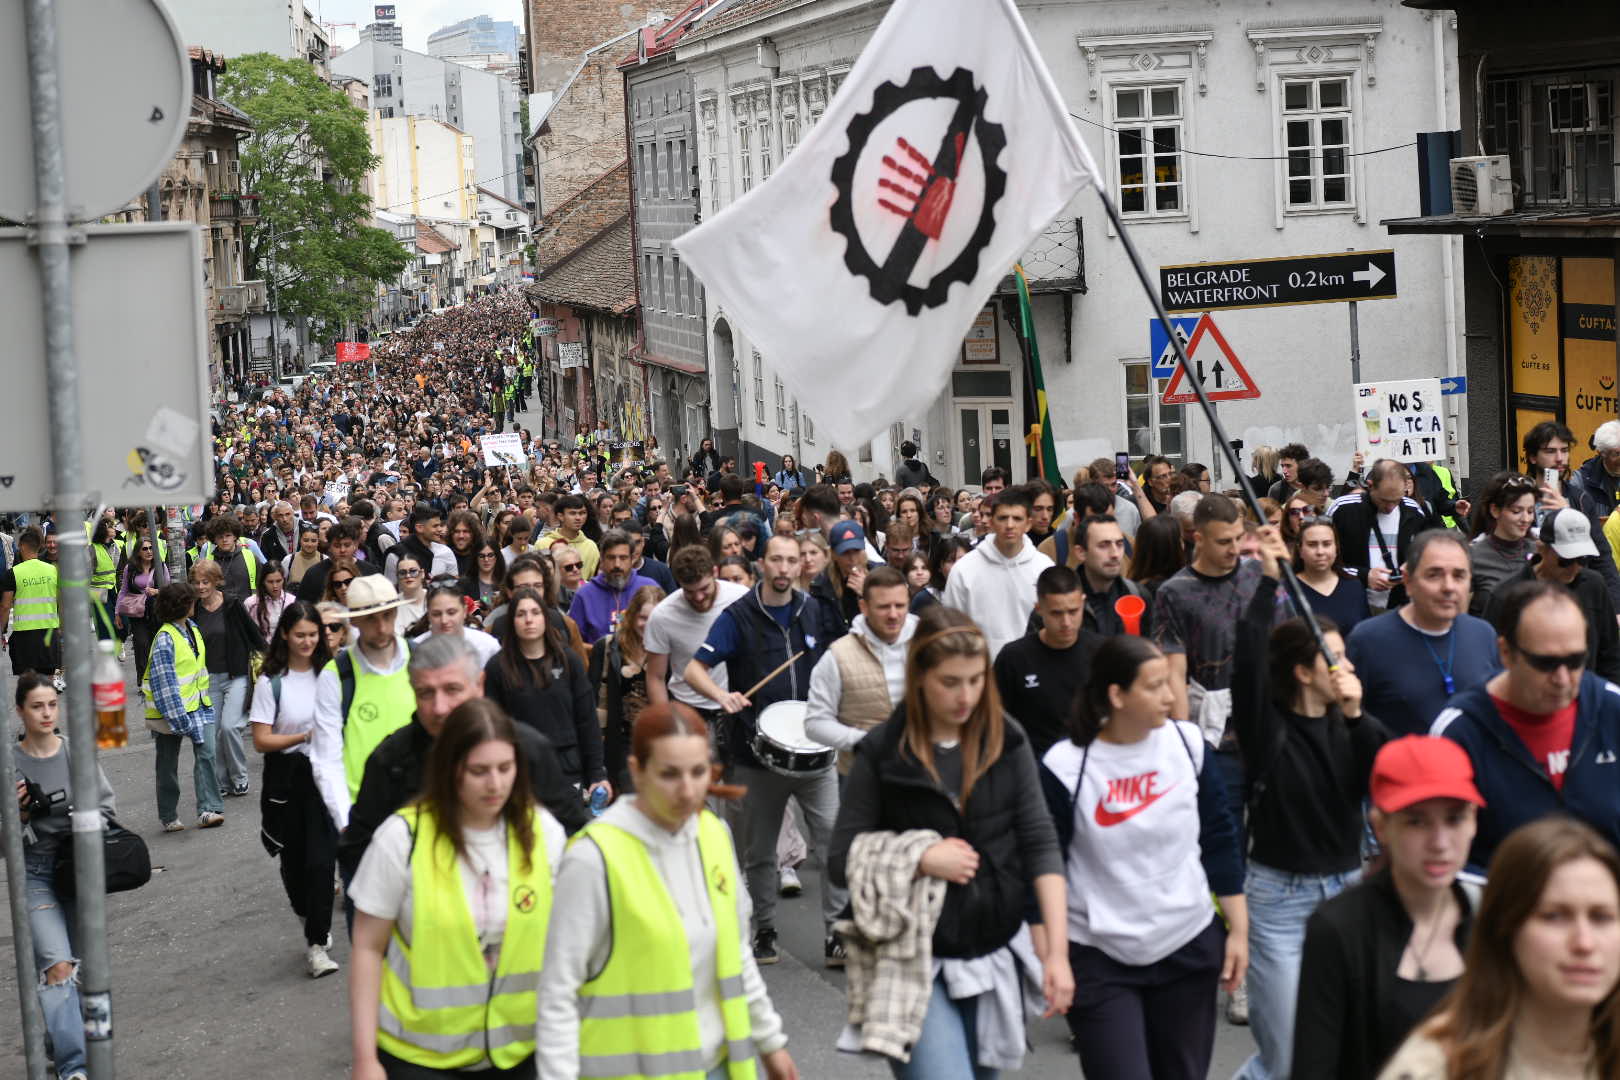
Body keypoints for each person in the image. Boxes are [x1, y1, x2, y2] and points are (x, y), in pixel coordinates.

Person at [831, 604, 1071, 1077]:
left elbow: (1041, 841)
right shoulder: (883, 750)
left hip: (993, 948)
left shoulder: (1008, 739)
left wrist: (1058, 953)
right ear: (920, 676)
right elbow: (841, 858)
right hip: (911, 956)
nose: (966, 696)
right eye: (950, 682)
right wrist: (919, 856)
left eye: (976, 680)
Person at [537, 704, 800, 1080]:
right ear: (636, 772)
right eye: (669, 774)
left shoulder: (712, 835)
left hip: (716, 1067)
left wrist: (770, 1041)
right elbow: (557, 993)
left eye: (699, 772)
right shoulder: (594, 858)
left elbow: (734, 953)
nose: (688, 789)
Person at [1040, 635, 1246, 1080]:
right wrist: (1054, 956)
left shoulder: (1188, 745)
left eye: (1170, 684)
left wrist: (1238, 931)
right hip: (1099, 954)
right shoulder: (1065, 765)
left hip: (1186, 943)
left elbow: (1219, 839)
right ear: (1117, 695)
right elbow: (1046, 866)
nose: (1171, 696)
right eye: (1155, 686)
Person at [1231, 527, 1389, 1080]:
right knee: (1287, 1059)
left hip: (1345, 893)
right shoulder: (1266, 728)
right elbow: (1248, 660)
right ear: (1302, 671)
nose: (1343, 668)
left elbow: (1385, 772)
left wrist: (1354, 715)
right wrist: (1268, 582)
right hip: (1279, 901)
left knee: (1345, 1050)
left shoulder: (1354, 724)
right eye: (1332, 658)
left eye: (1346, 657)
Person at [348, 699, 566, 1080]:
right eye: (479, 771)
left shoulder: (544, 833)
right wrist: (366, 1058)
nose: (495, 784)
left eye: (505, 768)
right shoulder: (402, 839)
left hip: (522, 1053)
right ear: (450, 769)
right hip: (420, 1057)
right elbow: (368, 947)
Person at [685, 534, 840, 966]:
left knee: (834, 845)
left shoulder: (814, 611)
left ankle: (837, 934)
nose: (785, 568)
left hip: (815, 749)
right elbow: (694, 668)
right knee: (759, 852)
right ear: (762, 564)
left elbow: (836, 661)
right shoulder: (738, 616)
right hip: (757, 751)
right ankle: (765, 929)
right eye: (777, 560)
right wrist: (721, 696)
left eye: (793, 560)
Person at [1293, 736, 1485, 1080]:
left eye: (1454, 819)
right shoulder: (1338, 929)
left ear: (1473, 822)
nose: (1440, 843)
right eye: (1417, 821)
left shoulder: (1492, 918)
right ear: (1381, 827)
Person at [338, 633, 589, 897]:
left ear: (479, 685)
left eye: (452, 690)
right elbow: (358, 850)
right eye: (426, 693)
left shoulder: (526, 750)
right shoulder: (391, 761)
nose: (440, 708)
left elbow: (571, 833)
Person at [1377, 816, 1620, 1080]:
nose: (1584, 943)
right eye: (1553, 916)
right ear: (1505, 928)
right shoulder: (1436, 1067)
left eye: (1601, 917)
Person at [1434, 579, 1620, 870]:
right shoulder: (1460, 732)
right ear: (1506, 653)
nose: (1562, 679)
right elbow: (1440, 855)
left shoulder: (1611, 708)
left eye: (1575, 661)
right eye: (1545, 663)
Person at [12, 673, 115, 1080]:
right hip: (34, 873)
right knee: (58, 967)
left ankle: (59, 1039)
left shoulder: (76, 753)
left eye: (52, 704)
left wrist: (81, 821)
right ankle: (75, 1068)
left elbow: (107, 809)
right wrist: (19, 814)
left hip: (78, 871)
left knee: (83, 970)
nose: (47, 713)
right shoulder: (9, 762)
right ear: (20, 711)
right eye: (37, 706)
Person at [250, 600, 341, 977]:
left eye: (313, 634)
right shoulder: (271, 682)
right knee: (294, 864)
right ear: (285, 634)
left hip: (324, 776)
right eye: (300, 634)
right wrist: (302, 736)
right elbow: (261, 739)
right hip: (286, 780)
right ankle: (310, 915)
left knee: (322, 863)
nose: (307, 641)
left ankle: (317, 944)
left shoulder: (332, 674)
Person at [1347, 530, 1502, 738]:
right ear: (1408, 582)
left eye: (1459, 575)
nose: (1448, 587)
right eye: (1434, 575)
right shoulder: (1368, 640)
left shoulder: (1483, 634)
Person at [312, 575, 414, 833]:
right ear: (354, 621)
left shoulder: (422, 659)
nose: (381, 627)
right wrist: (347, 824)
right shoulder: (336, 676)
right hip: (366, 823)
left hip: (424, 817)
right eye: (371, 618)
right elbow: (327, 758)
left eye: (388, 615)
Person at [484, 586, 605, 795]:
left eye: (535, 613)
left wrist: (596, 774)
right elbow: (493, 726)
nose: (528, 620)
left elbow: (587, 720)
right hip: (520, 769)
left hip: (567, 766)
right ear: (512, 622)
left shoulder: (569, 661)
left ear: (545, 618)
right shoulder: (497, 667)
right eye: (521, 614)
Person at [803, 566, 917, 777]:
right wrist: (866, 742)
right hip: (861, 776)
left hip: (919, 771)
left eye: (900, 606)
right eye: (883, 607)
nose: (893, 615)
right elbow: (815, 723)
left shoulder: (928, 644)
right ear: (864, 607)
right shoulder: (838, 656)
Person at [1486, 508, 1620, 683]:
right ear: (1542, 549)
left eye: (1582, 560)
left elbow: (1610, 656)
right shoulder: (1506, 597)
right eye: (1565, 560)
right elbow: (1492, 665)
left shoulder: (1594, 585)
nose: (1574, 568)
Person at [994, 565, 1103, 760]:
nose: (1066, 622)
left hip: (1091, 766)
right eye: (1056, 613)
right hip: (1035, 770)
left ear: (1083, 603)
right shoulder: (1014, 659)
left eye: (1073, 611)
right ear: (1039, 609)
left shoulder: (1101, 653)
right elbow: (994, 722)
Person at [142, 582, 226, 830]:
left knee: (207, 755)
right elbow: (164, 683)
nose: (195, 603)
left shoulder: (193, 629)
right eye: (190, 600)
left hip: (199, 705)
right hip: (172, 712)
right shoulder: (166, 638)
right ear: (182, 605)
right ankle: (169, 815)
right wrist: (178, 718)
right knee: (167, 765)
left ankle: (208, 809)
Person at [941, 486, 1053, 659]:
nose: (1009, 525)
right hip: (980, 674)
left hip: (1033, 673)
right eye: (1003, 518)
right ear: (991, 522)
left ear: (1028, 523)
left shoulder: (1044, 568)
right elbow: (951, 631)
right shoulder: (964, 570)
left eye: (1017, 518)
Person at [190, 559, 267, 800]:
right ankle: (221, 781)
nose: (200, 587)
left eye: (205, 582)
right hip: (207, 679)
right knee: (212, 734)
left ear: (216, 581)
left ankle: (240, 777)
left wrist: (273, 660)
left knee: (230, 727)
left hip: (236, 675)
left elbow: (253, 635)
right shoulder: (193, 609)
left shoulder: (232, 604)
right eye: (196, 582)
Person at [1523, 419, 1620, 609]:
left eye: (1565, 450)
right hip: (1532, 597)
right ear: (1533, 457)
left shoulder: (1580, 499)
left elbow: (1601, 556)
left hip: (1576, 598)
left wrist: (1616, 607)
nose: (1559, 458)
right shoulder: (1519, 496)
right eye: (1550, 451)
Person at [1327, 459, 1432, 612]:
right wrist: (1364, 575)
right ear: (1370, 486)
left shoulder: (1413, 511)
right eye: (1384, 500)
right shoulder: (1343, 509)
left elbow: (1428, 552)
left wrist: (1411, 567)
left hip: (1401, 604)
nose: (1390, 508)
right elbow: (1326, 559)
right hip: (1351, 602)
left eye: (1396, 501)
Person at [588, 583, 665, 791]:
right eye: (643, 618)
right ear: (632, 616)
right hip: (618, 742)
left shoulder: (670, 650)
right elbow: (597, 699)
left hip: (657, 742)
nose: (648, 625)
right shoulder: (608, 648)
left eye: (654, 619)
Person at [1467, 471, 1540, 616]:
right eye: (1516, 511)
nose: (1525, 519)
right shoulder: (1471, 556)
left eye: (1530, 511)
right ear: (1495, 510)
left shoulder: (1539, 552)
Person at [566, 528, 657, 644]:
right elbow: (574, 643)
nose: (617, 564)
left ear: (632, 559)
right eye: (611, 558)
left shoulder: (649, 588)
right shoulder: (584, 595)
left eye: (623, 558)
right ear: (602, 559)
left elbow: (662, 636)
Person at [0, 527, 61, 676]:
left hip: (24, 638)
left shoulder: (13, 573)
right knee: (48, 683)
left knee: (27, 686)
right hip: (49, 634)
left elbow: (5, 606)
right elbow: (62, 602)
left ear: (21, 546)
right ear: (40, 546)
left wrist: (1, 630)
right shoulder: (52, 570)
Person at [1294, 514, 1370, 633]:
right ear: (1300, 550)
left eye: (1327, 544)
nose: (1320, 552)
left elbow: (1364, 634)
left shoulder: (1353, 586)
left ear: (1336, 548)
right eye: (1312, 545)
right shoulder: (1287, 590)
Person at [115, 533, 170, 676]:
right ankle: (143, 680)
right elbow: (124, 590)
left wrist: (156, 591)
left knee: (156, 645)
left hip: (157, 612)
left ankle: (158, 676)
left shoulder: (160, 566)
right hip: (137, 613)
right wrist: (117, 613)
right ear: (138, 551)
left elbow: (169, 590)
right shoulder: (130, 568)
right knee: (141, 644)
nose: (149, 551)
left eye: (151, 548)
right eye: (145, 549)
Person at [414, 579, 502, 665]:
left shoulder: (487, 646)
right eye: (436, 614)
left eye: (451, 612)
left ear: (464, 612)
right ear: (428, 615)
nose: (444, 620)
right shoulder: (416, 649)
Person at [1127, 513, 1185, 607]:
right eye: (1181, 540)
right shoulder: (1173, 591)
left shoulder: (1132, 587)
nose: (1183, 545)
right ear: (1172, 548)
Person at [539, 494, 600, 580]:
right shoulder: (543, 544)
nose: (578, 518)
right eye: (572, 513)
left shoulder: (591, 546)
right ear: (560, 516)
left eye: (582, 513)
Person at [246, 561, 291, 643]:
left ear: (284, 580)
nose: (275, 586)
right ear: (263, 582)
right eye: (270, 582)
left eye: (278, 581)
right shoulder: (251, 603)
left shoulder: (292, 601)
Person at [390, 552, 428, 630]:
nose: (408, 576)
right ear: (397, 576)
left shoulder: (435, 598)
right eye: (402, 573)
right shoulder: (392, 606)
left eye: (413, 571)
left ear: (422, 573)